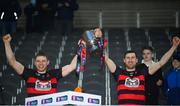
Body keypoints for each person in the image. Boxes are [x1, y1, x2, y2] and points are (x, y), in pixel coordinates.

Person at [104, 36, 180, 105]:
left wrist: (174, 47)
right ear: (124, 60)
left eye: (133, 57)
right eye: (128, 58)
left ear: (137, 60)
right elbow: (106, 59)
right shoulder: (119, 73)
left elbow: (161, 63)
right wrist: (101, 44)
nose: (130, 60)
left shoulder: (143, 73)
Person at [2, 34, 78, 97]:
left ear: (48, 62)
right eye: (38, 61)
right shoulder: (28, 74)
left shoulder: (54, 74)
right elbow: (12, 62)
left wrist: (81, 49)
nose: (41, 63)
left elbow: (72, 66)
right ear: (34, 63)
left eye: (43, 61)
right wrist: (6, 43)